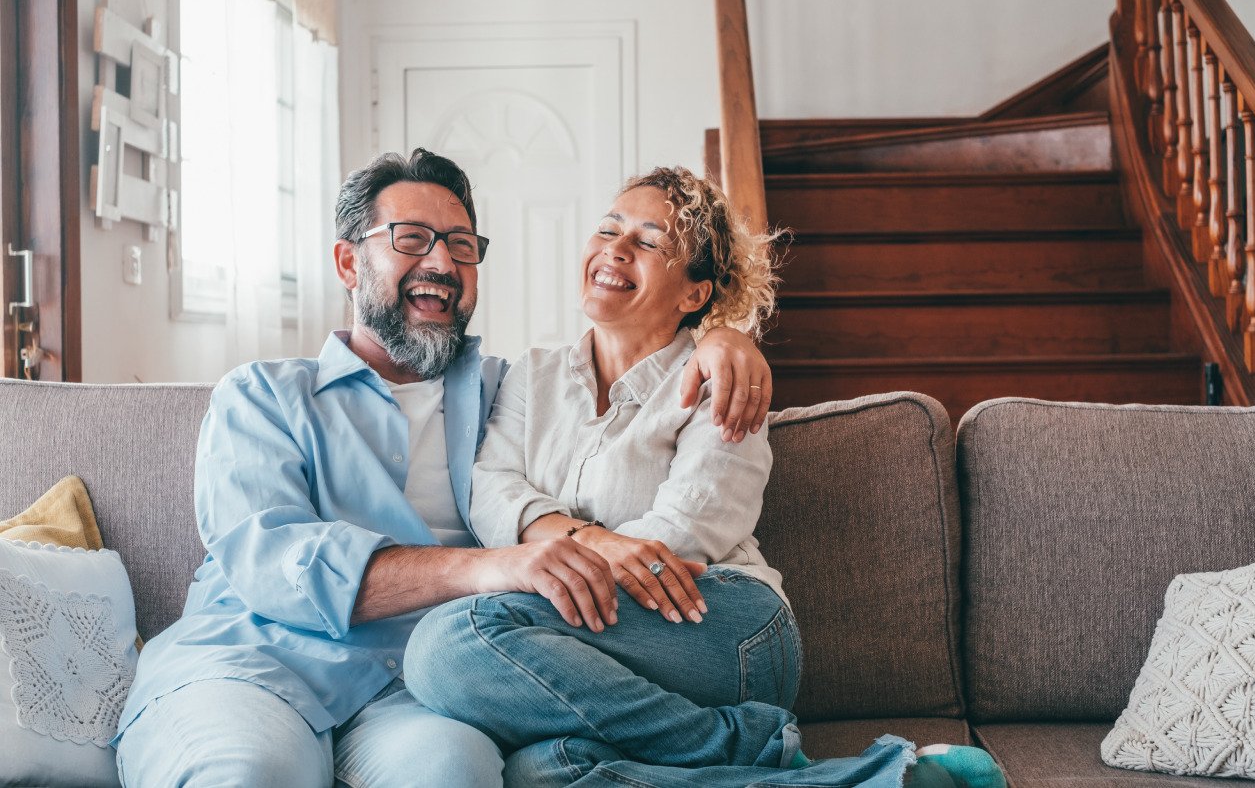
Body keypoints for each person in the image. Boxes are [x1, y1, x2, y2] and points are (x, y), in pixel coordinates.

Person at [111, 149, 773, 788]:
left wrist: (724, 338)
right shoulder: (261, 394)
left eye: (461, 245)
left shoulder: (506, 389)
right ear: (348, 262)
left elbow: (638, 352)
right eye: (411, 238)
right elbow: (272, 561)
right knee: (248, 776)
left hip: (414, 688)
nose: (441, 261)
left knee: (455, 772)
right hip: (253, 665)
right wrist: (492, 567)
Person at [403, 168, 1007, 788]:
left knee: (449, 642)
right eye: (608, 229)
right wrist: (589, 543)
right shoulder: (534, 374)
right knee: (542, 772)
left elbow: (687, 530)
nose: (615, 248)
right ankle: (876, 782)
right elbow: (492, 487)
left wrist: (560, 557)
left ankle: (758, 747)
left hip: (719, 620)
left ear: (694, 295)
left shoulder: (722, 375)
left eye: (648, 241)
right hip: (601, 634)